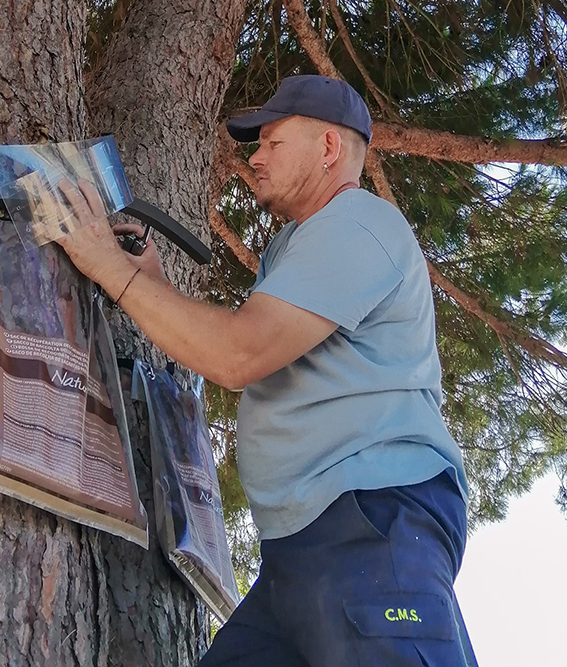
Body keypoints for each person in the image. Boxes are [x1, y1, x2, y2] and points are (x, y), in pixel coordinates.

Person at [54, 74, 477, 666]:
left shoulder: (358, 222)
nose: (255, 158)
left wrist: (107, 266)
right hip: (299, 546)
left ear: (329, 147)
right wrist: (153, 287)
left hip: (371, 518)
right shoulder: (299, 244)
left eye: (273, 142)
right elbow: (247, 344)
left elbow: (238, 354)